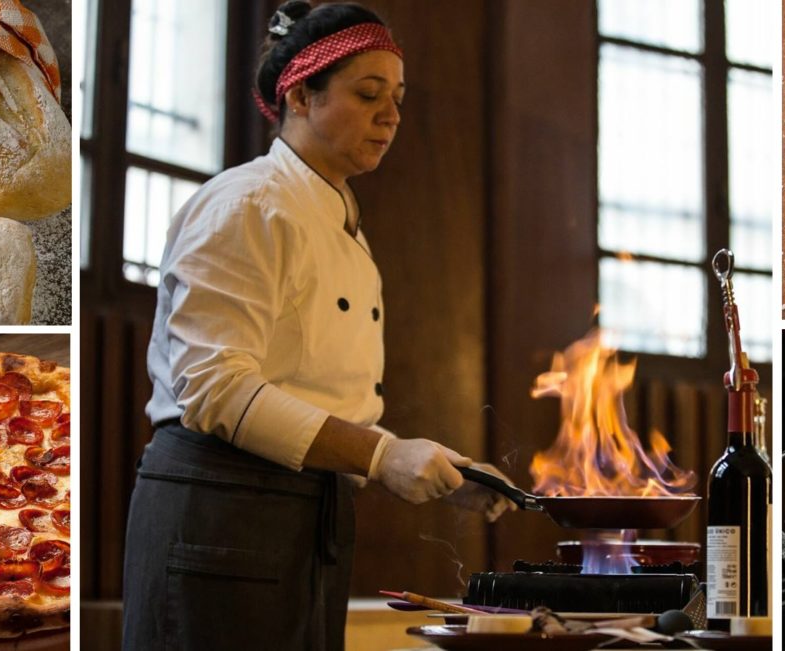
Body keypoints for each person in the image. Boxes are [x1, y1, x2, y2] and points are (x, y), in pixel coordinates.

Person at [121, 2, 514, 648]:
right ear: (300, 95)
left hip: (306, 518)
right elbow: (214, 389)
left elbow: (311, 397)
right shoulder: (247, 203)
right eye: (367, 94)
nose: (390, 116)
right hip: (220, 512)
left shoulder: (342, 226)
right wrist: (384, 455)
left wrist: (437, 468)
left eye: (397, 98)